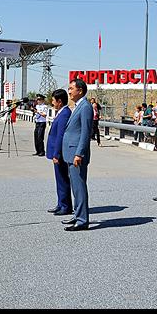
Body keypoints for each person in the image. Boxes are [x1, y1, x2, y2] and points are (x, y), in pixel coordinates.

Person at [62, 79, 94, 231]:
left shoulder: (86, 107)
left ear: (80, 90)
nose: (69, 91)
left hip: (77, 154)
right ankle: (77, 215)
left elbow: (85, 133)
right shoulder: (77, 106)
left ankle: (82, 220)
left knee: (79, 187)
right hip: (70, 152)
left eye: (71, 88)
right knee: (75, 187)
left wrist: (79, 153)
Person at [45, 89, 72, 216]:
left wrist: (57, 154)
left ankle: (65, 206)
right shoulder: (61, 112)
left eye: (53, 100)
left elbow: (61, 135)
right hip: (57, 152)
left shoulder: (65, 113)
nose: (52, 103)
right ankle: (61, 203)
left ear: (59, 101)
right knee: (59, 179)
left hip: (59, 153)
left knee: (62, 179)